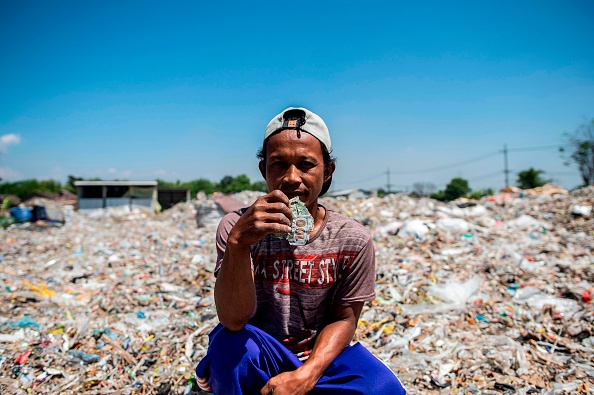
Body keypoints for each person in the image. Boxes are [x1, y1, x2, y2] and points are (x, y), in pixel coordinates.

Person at [196, 107, 406, 395]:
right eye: (278, 164)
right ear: (263, 170)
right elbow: (233, 320)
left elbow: (344, 319)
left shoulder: (352, 239)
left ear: (327, 170)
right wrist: (239, 244)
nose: (292, 178)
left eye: (306, 164)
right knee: (229, 349)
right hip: (259, 350)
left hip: (318, 356)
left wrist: (306, 375)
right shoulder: (236, 227)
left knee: (382, 388)